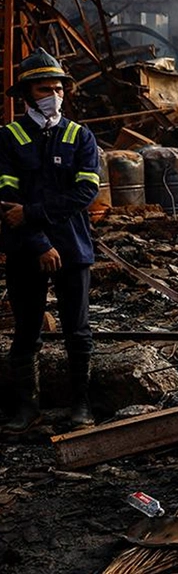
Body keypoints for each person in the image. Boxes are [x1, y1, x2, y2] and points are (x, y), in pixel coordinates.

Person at [1, 48, 100, 432]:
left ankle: (81, 406)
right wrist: (40, 241)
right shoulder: (8, 138)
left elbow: (84, 194)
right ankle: (27, 410)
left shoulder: (81, 137)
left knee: (78, 330)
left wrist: (31, 213)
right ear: (27, 94)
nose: (53, 96)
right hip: (26, 248)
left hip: (74, 249)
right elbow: (6, 201)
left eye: (58, 88)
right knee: (27, 330)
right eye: (44, 89)